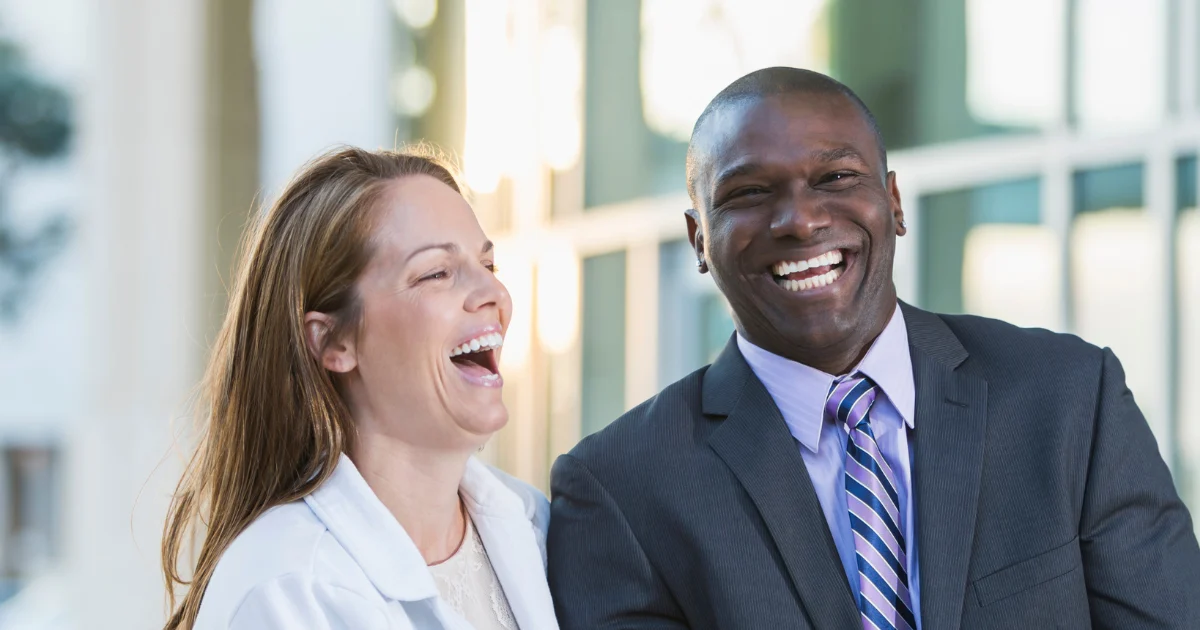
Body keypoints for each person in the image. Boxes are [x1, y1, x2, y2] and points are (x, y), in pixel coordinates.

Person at [546, 67, 1200, 630]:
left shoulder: (1068, 399)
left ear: (893, 202)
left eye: (834, 176)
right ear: (698, 239)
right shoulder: (621, 489)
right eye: (749, 192)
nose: (799, 219)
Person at [161, 146, 559, 630]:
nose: (495, 295)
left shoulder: (535, 522)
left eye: (489, 266)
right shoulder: (283, 586)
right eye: (437, 273)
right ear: (334, 341)